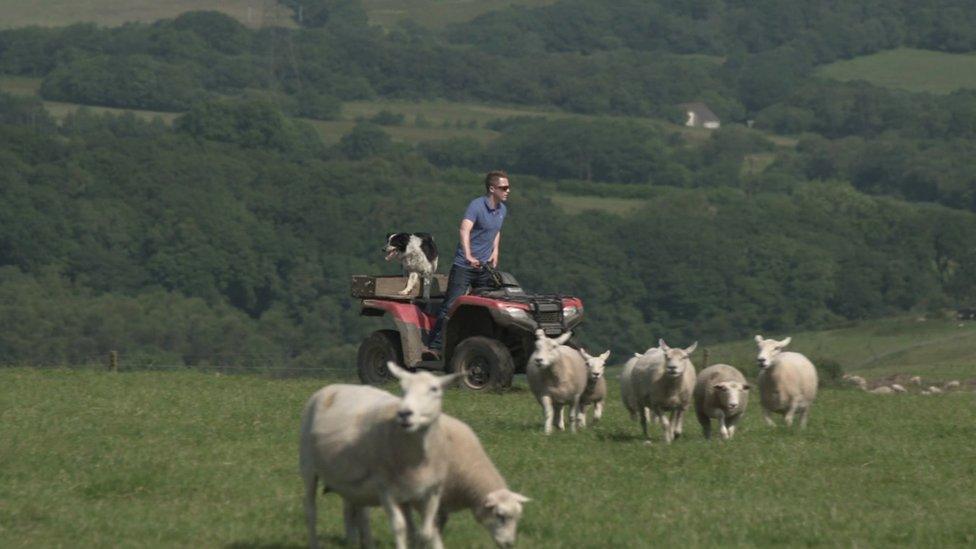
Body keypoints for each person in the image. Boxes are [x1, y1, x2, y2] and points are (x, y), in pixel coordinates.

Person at [425, 170, 511, 357]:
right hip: (465, 266)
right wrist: (468, 255)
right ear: (492, 188)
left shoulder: (502, 210)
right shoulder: (477, 206)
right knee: (451, 305)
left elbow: (496, 231)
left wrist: (495, 251)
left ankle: (478, 348)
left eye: (508, 187)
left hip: (484, 269)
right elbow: (464, 229)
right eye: (504, 187)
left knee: (486, 310)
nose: (508, 191)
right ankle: (434, 346)